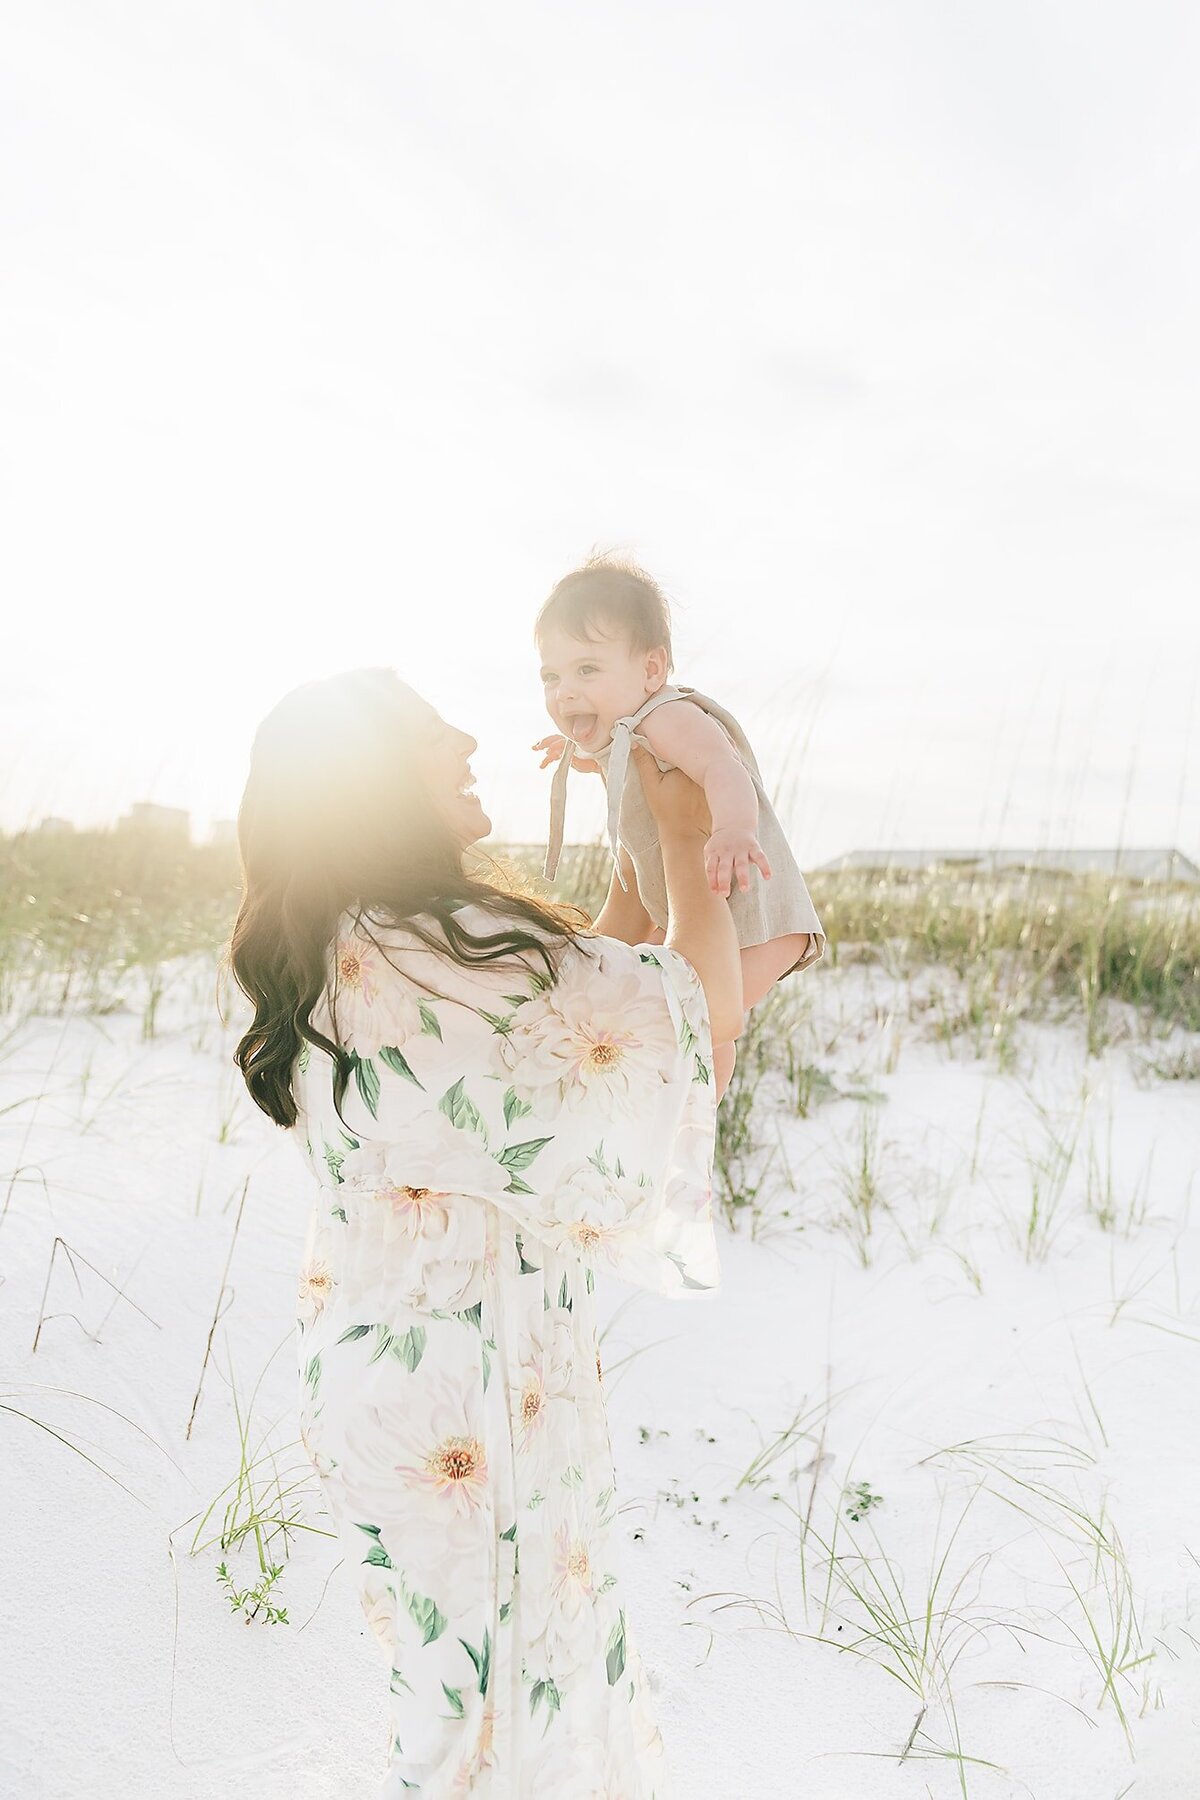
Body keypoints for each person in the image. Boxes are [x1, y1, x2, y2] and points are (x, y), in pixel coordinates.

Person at [228, 666, 742, 1797]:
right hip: (472, 1406)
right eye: (426, 732)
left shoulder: (351, 940)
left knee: (464, 1715)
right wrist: (692, 843)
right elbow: (697, 1028)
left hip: (386, 1389)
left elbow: (557, 1029)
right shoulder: (447, 945)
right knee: (504, 1732)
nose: (465, 738)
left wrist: (632, 878)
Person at [534, 554, 825, 1092]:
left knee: (703, 1024)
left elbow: (722, 767)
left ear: (651, 669)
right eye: (552, 676)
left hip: (756, 917)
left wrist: (735, 828)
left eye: (587, 669)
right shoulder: (623, 728)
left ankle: (696, 1129)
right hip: (706, 918)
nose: (565, 691)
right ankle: (697, 1125)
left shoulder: (666, 716)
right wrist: (580, 749)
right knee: (699, 1035)